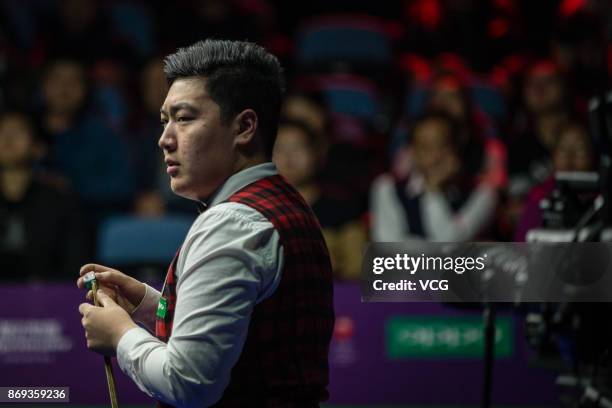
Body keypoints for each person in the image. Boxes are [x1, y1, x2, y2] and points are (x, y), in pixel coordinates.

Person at [76, 39, 335, 407]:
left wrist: (121, 335)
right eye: (164, 120)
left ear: (245, 126)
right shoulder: (285, 200)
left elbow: (188, 384)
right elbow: (246, 326)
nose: (164, 139)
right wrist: (152, 305)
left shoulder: (232, 224)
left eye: (183, 118)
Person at [371, 111, 495, 241]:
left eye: (439, 145)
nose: (433, 155)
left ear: (455, 148)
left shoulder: (482, 193)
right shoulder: (387, 188)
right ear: (412, 150)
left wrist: (434, 190)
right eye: (423, 146)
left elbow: (450, 244)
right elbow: (388, 250)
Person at [0, 111, 89, 281]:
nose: (7, 138)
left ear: (37, 147)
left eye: (17, 131)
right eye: (1, 131)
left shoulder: (61, 201)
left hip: (46, 298)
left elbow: (74, 267)